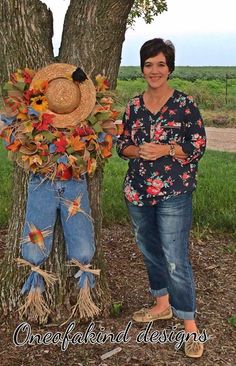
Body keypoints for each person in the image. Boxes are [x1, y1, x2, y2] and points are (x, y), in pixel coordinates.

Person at [0, 63, 117, 323]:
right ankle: (34, 299)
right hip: (41, 180)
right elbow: (7, 125)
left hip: (74, 182)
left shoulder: (89, 129)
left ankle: (85, 296)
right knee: (36, 235)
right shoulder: (30, 121)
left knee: (81, 236)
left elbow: (109, 136)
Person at [117, 38, 206, 358]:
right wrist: (137, 150)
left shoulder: (185, 104)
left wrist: (166, 149)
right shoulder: (134, 106)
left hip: (174, 192)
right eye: (148, 64)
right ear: (142, 67)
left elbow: (197, 147)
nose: (154, 70)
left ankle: (191, 328)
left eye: (160, 64)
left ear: (170, 68)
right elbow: (121, 145)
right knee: (151, 250)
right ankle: (161, 304)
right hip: (137, 191)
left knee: (175, 257)